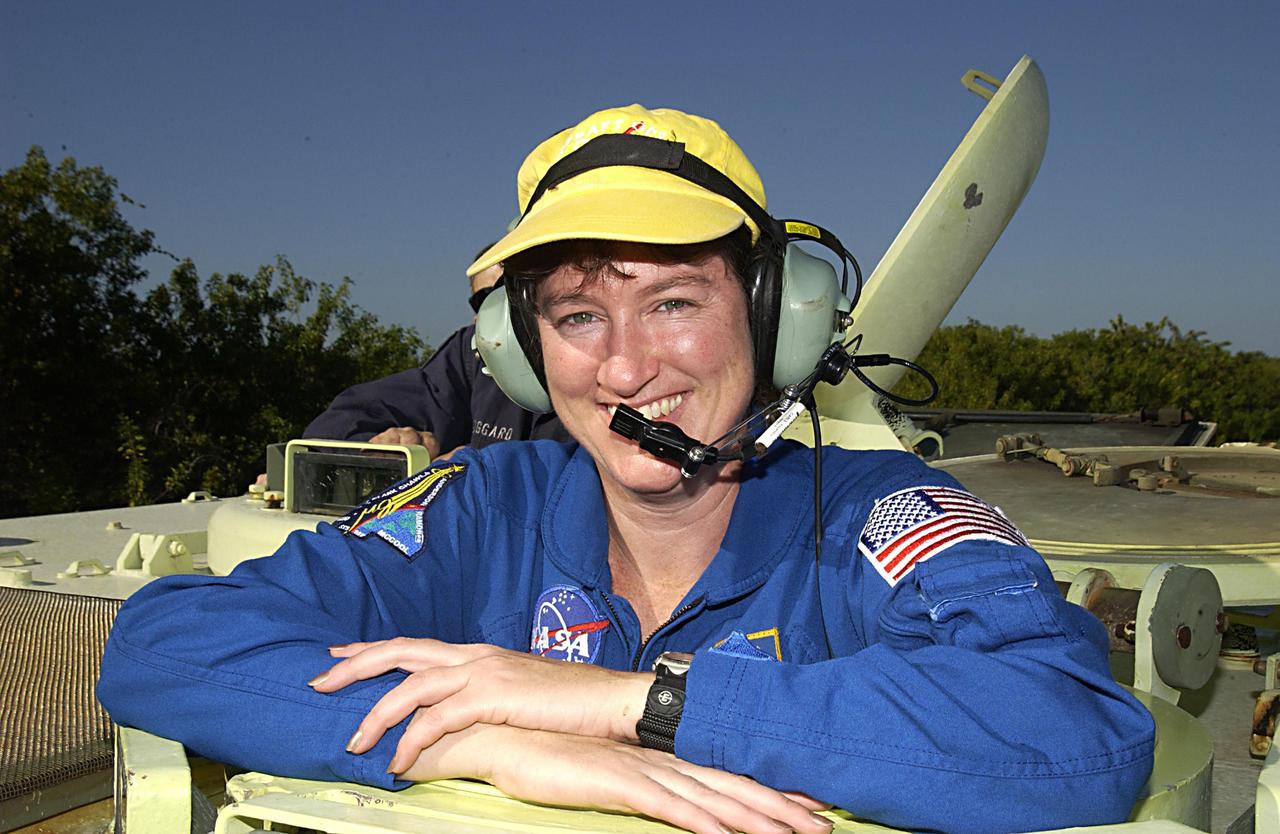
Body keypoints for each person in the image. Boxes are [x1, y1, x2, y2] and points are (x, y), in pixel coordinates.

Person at [98, 104, 1154, 834]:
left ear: (778, 320)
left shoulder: (887, 516)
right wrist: (469, 741)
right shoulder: (480, 506)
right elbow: (166, 643)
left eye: (675, 302)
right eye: (576, 316)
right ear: (519, 354)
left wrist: (627, 705)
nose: (622, 366)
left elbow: (1073, 731)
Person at [302, 247, 568, 458]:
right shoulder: (468, 357)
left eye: (503, 293)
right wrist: (379, 450)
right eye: (482, 300)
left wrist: (479, 475)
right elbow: (333, 428)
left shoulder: (602, 361)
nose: (491, 315)